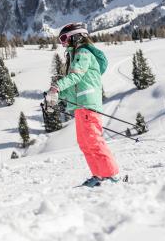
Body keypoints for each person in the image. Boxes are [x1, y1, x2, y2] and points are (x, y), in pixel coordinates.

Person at [46, 22, 120, 188]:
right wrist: (55, 96)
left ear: (76, 36)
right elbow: (73, 87)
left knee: (93, 140)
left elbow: (75, 77)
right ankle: (99, 175)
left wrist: (56, 87)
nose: (63, 43)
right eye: (60, 40)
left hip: (88, 104)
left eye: (64, 38)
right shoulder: (76, 55)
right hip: (81, 106)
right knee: (85, 143)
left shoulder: (83, 53)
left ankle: (111, 175)